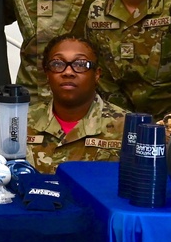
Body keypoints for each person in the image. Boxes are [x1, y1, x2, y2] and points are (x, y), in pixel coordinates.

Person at [27, 34, 126, 174]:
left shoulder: (125, 127)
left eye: (80, 64)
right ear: (47, 74)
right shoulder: (21, 122)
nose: (68, 72)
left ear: (97, 74)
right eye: (57, 64)